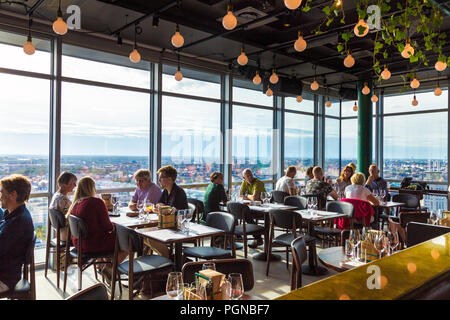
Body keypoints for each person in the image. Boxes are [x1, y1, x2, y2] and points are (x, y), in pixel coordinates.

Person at [67, 176, 127, 282]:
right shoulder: (96, 202)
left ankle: (104, 266)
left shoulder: (76, 204)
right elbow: (107, 227)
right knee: (127, 241)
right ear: (92, 188)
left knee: (112, 239)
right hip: (92, 244)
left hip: (79, 243)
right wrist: (115, 226)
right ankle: (110, 268)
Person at [0, 174, 34, 294]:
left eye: (2, 192)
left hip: (5, 279)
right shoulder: (17, 214)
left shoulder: (17, 223)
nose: (0, 197)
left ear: (13, 194)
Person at [150, 165, 188, 258]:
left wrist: (164, 208)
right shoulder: (166, 191)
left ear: (170, 179)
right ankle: (165, 258)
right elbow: (159, 203)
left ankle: (167, 258)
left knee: (149, 236)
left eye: (161, 178)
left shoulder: (179, 192)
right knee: (145, 236)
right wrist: (159, 207)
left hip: (178, 226)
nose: (159, 181)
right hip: (167, 224)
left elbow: (180, 212)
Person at [239, 169, 266, 248]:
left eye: (251, 174)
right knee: (246, 215)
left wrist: (246, 196)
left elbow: (255, 198)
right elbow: (240, 195)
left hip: (262, 207)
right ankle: (258, 237)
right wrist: (250, 197)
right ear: (244, 177)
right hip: (253, 207)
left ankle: (258, 237)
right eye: (247, 175)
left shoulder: (258, 182)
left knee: (247, 216)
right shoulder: (244, 182)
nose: (250, 176)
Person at [49, 171, 77, 241]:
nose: (75, 185)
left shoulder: (56, 195)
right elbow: (72, 217)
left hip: (60, 233)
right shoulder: (62, 199)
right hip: (67, 235)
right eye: (73, 183)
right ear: (65, 184)